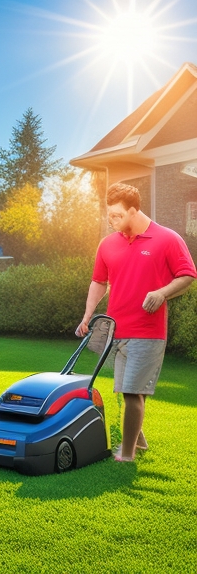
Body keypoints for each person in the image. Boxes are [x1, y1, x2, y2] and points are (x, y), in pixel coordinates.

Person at [76, 183, 195, 462]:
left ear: (134, 210)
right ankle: (138, 442)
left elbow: (188, 275)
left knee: (131, 392)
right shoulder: (108, 244)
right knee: (127, 390)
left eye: (118, 215)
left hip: (148, 332)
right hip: (117, 330)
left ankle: (126, 454)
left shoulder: (167, 238)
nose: (113, 221)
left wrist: (162, 292)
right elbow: (98, 282)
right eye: (110, 215)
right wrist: (87, 316)